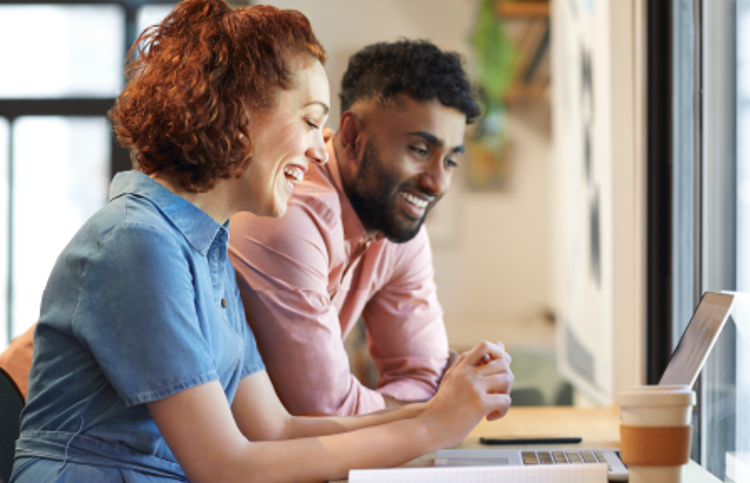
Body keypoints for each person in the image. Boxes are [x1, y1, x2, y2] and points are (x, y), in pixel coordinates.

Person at [9, 2, 513, 482]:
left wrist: (441, 407)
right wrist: (431, 428)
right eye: (312, 121)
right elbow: (225, 466)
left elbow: (276, 428)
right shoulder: (137, 243)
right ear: (238, 111)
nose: (321, 149)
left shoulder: (206, 252)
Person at [229, 39, 482, 415]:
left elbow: (423, 376)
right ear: (351, 137)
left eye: (450, 161)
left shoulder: (396, 225)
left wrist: (430, 405)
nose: (438, 183)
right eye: (420, 150)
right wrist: (432, 412)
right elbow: (325, 410)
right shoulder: (286, 213)